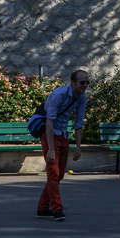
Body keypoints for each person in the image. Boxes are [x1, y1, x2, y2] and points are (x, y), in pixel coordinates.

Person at [37, 69, 89, 221]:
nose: (85, 85)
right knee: (52, 172)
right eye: (82, 82)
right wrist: (51, 149)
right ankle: (57, 209)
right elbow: (49, 121)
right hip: (50, 134)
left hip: (63, 134)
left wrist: (78, 146)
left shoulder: (82, 97)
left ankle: (42, 208)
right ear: (73, 82)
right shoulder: (59, 95)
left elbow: (79, 123)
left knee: (59, 174)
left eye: (87, 82)